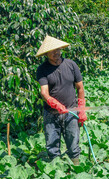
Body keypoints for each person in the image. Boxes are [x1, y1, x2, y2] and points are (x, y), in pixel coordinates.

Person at [35, 35, 87, 165]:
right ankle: (56, 170)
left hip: (71, 112)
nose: (56, 53)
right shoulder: (42, 69)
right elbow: (44, 92)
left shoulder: (71, 65)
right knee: (52, 146)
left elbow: (80, 88)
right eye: (52, 51)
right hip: (51, 114)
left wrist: (81, 109)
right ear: (46, 53)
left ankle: (76, 169)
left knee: (74, 145)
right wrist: (54, 104)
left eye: (57, 50)